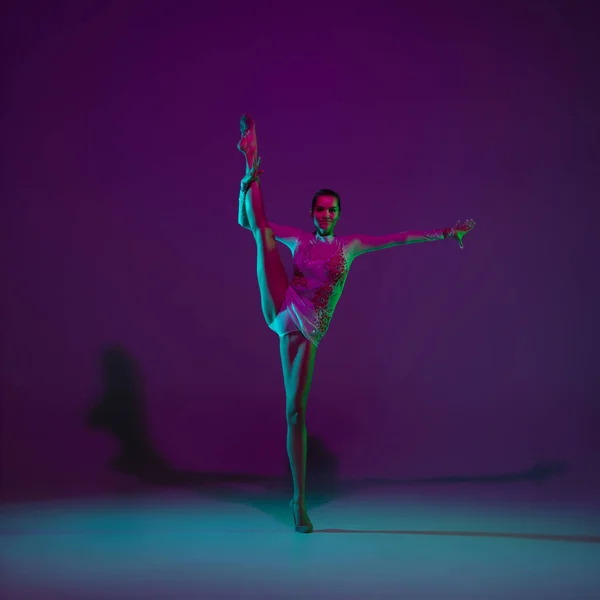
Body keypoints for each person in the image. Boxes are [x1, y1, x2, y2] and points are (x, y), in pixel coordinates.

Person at [236, 114, 475, 533]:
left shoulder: (351, 246)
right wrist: (245, 188)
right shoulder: (300, 238)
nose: (325, 214)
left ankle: (299, 500)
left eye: (332, 210)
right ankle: (250, 162)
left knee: (295, 412)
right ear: (312, 212)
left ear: (339, 214)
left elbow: (400, 238)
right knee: (263, 235)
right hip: (282, 305)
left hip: (309, 328)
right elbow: (247, 222)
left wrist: (444, 233)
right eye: (320, 209)